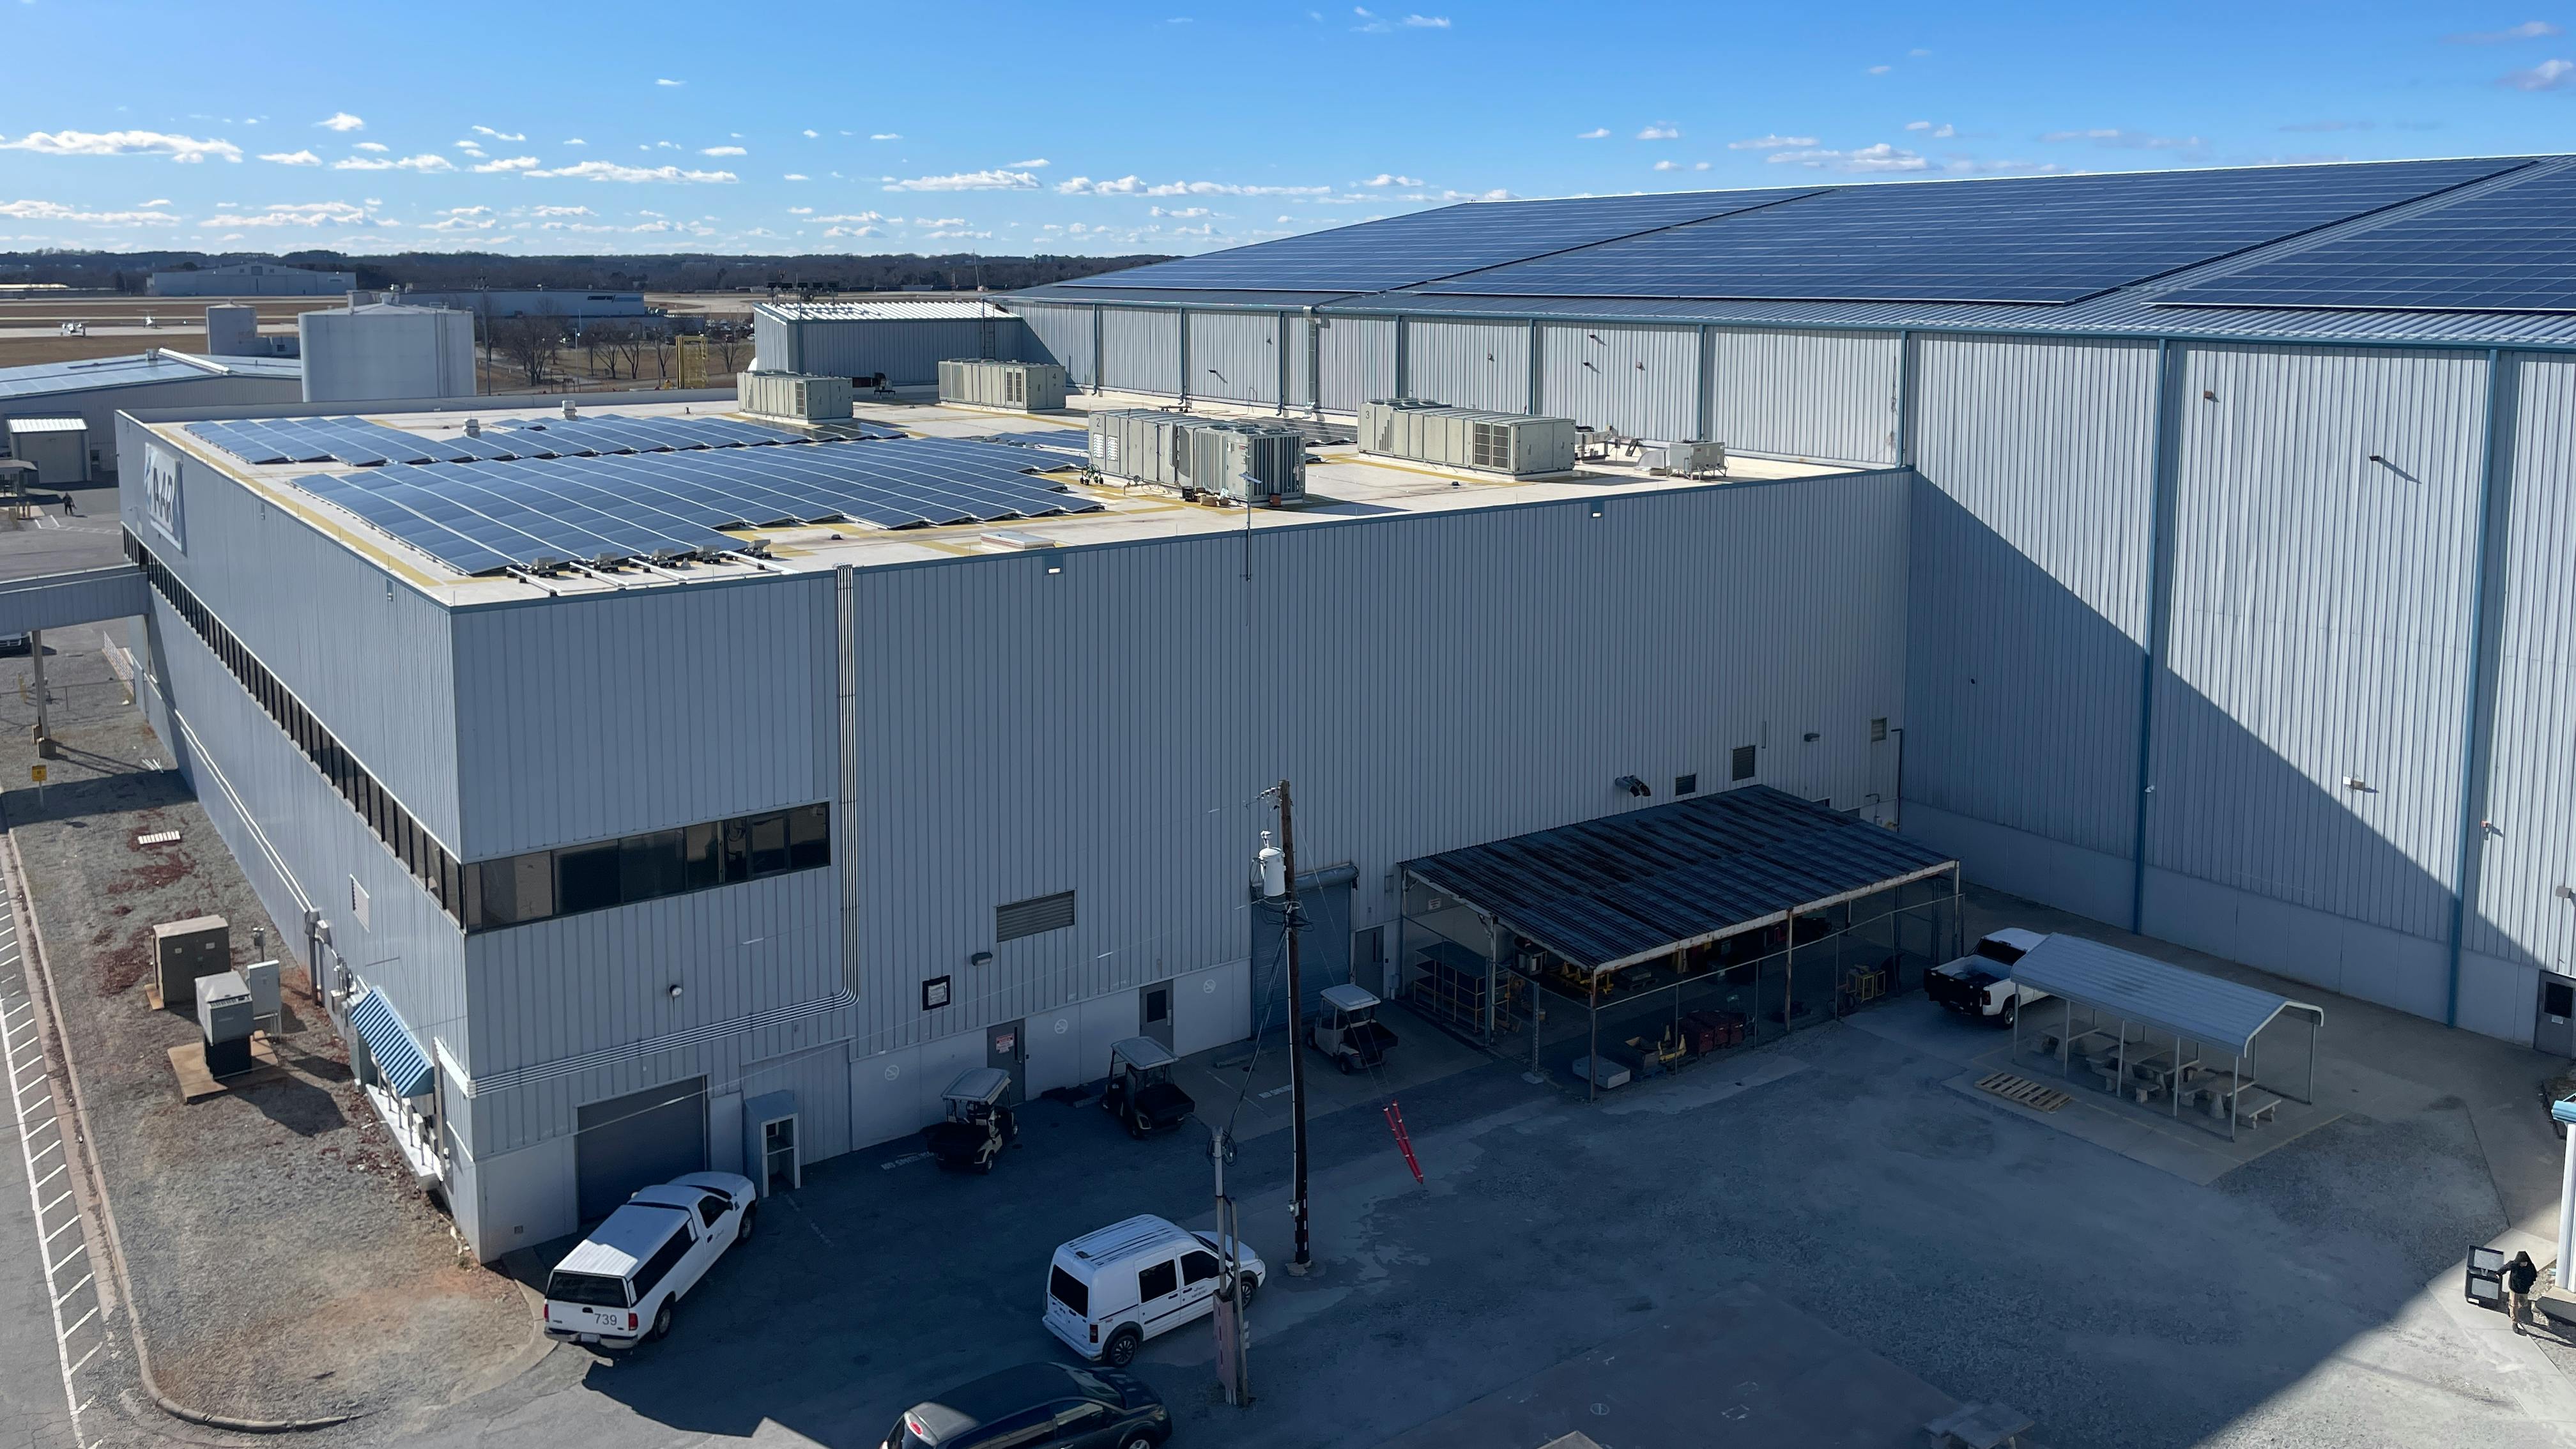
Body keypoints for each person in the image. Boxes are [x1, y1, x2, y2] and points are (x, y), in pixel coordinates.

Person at [2510, 1250, 2540, 1333]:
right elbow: (2505, 1268)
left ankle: (2511, 1309)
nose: (2524, 1264)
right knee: (2514, 1305)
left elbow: (2534, 1275)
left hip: (2524, 1290)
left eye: (2525, 1263)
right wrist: (2499, 1273)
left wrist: (2531, 1283)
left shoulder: (2531, 1267)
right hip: (2515, 1289)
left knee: (2523, 1304)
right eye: (2522, 1263)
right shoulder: (2514, 1265)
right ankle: (2515, 1322)